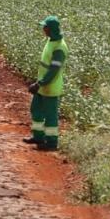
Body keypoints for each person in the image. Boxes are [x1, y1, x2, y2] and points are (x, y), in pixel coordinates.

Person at [24, 15, 68, 151]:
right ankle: (38, 137)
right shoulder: (51, 40)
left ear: (51, 29)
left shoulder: (59, 48)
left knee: (50, 116)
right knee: (36, 110)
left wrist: (39, 84)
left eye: (45, 27)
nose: (43, 29)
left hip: (50, 86)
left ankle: (51, 143)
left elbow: (53, 71)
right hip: (43, 85)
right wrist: (39, 83)